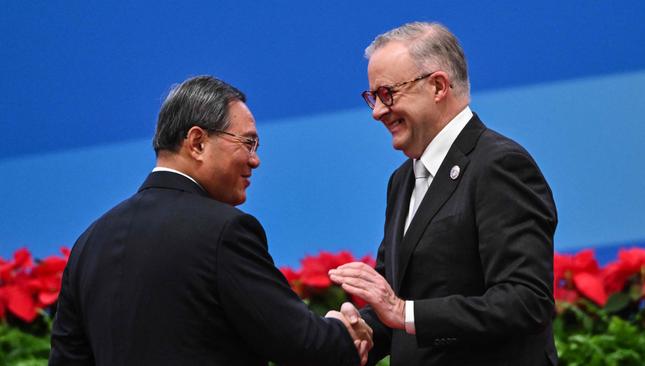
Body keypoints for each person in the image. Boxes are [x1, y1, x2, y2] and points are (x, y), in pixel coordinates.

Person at [49, 75, 372, 366]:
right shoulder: (224, 231)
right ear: (197, 142)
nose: (255, 160)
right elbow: (303, 344)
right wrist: (344, 334)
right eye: (248, 143)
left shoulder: (89, 243)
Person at [329, 22, 558, 365]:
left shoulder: (499, 164)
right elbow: (397, 305)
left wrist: (403, 311)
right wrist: (351, 334)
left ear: (437, 86)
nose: (377, 111)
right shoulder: (402, 179)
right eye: (372, 97)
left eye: (387, 93)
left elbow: (526, 301)